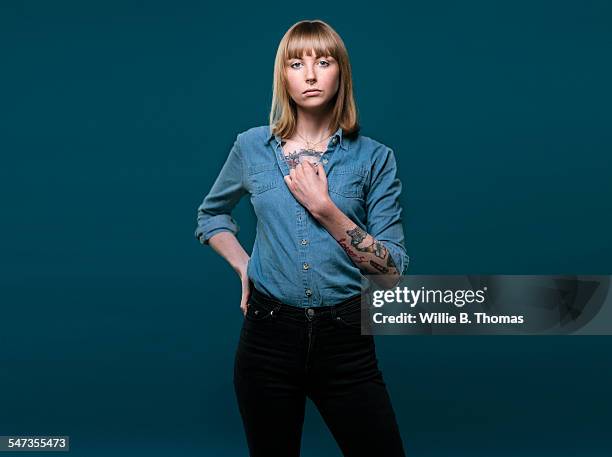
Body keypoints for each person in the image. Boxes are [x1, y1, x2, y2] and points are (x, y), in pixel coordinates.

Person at [194, 19, 409, 457]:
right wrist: (244, 266)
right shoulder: (252, 146)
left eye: (323, 61)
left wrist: (326, 210)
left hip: (347, 339)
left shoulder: (375, 158)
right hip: (267, 338)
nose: (310, 75)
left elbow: (391, 274)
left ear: (340, 72)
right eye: (297, 63)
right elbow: (211, 215)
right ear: (284, 76)